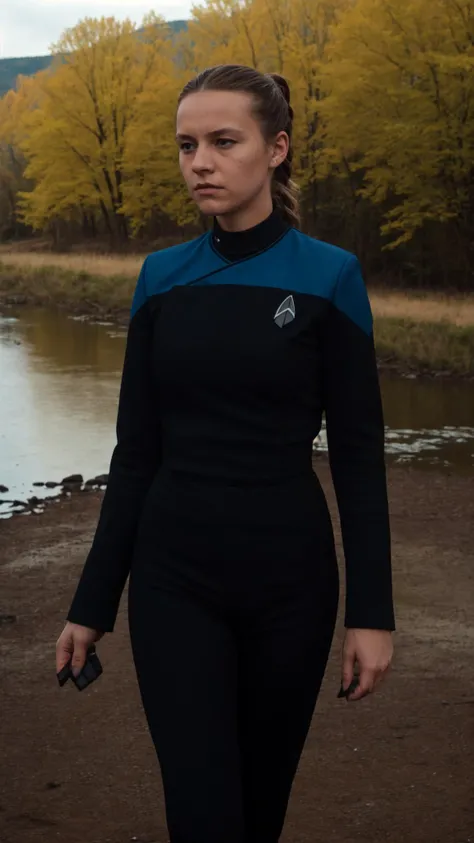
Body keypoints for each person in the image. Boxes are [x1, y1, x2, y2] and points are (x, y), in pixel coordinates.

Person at [56, 64, 395, 843]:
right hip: (175, 582)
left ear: (275, 150)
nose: (199, 162)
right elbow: (135, 453)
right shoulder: (160, 279)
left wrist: (371, 613)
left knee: (257, 814)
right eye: (185, 145)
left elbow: (358, 455)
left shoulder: (331, 277)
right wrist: (91, 601)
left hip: (291, 586)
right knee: (204, 816)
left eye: (222, 141)